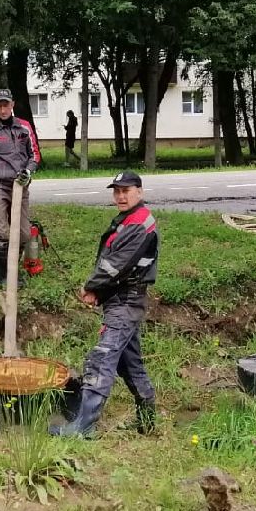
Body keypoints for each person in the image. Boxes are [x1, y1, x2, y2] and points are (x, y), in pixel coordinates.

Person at [51, 170, 159, 438]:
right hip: (121, 299)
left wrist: (91, 288)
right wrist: (100, 294)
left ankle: (83, 428)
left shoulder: (138, 223)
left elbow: (115, 266)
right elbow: (118, 266)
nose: (121, 196)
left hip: (125, 302)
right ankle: (147, 421)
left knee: (101, 360)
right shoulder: (130, 219)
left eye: (126, 190)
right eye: (117, 191)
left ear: (140, 192)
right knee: (129, 363)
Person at [0, 88, 41, 287]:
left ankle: (13, 271)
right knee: (2, 233)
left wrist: (28, 171)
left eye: (6, 105)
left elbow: (35, 155)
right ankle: (0, 276)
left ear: (12, 104)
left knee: (24, 233)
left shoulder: (25, 127)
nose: (3, 109)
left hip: (20, 187)